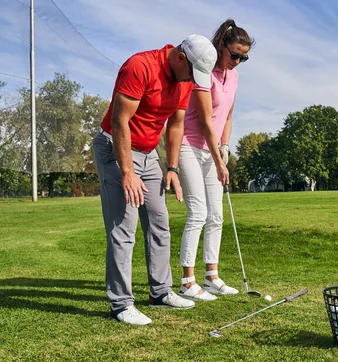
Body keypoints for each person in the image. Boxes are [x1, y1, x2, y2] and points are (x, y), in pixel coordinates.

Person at [93, 34, 218, 325]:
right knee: (124, 227)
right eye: (191, 72)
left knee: (160, 223)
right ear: (179, 57)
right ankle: (121, 304)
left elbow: (175, 125)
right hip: (116, 147)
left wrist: (171, 169)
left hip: (149, 154)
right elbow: (119, 121)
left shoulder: (185, 80)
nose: (191, 79)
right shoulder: (140, 66)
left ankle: (160, 292)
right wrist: (127, 173)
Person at [177, 19, 254, 301]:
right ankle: (187, 280)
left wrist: (224, 147)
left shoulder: (233, 77)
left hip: (212, 149)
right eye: (234, 54)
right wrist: (221, 163)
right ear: (221, 46)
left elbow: (227, 118)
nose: (237, 61)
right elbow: (208, 122)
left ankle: (211, 276)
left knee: (216, 215)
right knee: (197, 212)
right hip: (190, 146)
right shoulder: (204, 73)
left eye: (243, 57)